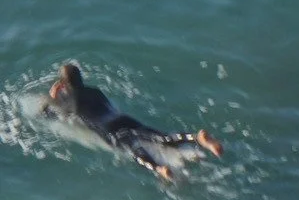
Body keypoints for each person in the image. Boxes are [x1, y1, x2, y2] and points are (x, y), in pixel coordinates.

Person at [42, 64, 224, 180]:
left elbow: (48, 113)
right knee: (159, 137)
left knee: (135, 150)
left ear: (63, 84)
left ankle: (159, 169)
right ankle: (196, 137)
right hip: (121, 118)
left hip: (109, 129)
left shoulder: (67, 100)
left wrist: (53, 96)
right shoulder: (95, 91)